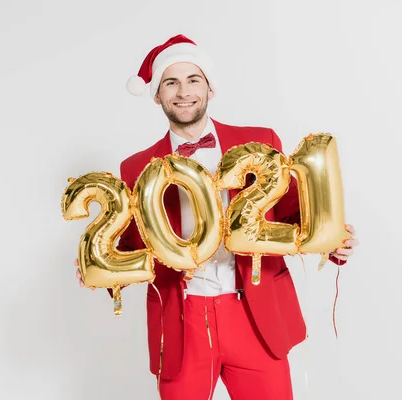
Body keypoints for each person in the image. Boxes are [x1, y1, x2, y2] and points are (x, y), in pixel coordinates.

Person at [74, 34, 359, 400]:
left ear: (210, 88)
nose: (183, 92)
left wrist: (337, 242)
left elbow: (294, 213)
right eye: (171, 82)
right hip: (181, 321)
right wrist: (99, 268)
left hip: (255, 316)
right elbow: (132, 244)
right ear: (158, 95)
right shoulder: (135, 167)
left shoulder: (260, 141)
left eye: (193, 80)